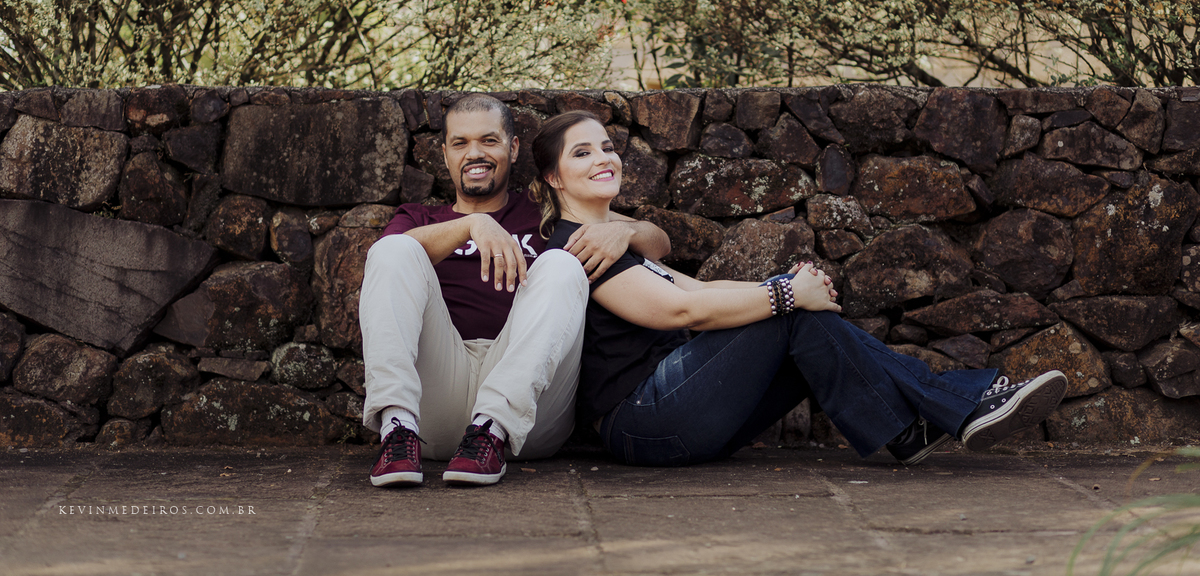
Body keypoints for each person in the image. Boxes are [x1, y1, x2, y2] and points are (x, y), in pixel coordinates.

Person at [529, 110, 1068, 468]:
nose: (604, 158)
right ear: (552, 178)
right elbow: (682, 310)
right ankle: (956, 405)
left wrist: (783, 288)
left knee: (803, 328)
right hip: (642, 422)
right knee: (794, 315)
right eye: (581, 153)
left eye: (606, 146)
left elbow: (697, 284)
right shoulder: (577, 247)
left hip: (675, 414)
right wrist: (786, 295)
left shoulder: (611, 236)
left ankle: (910, 430)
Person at [359, 94, 671, 487]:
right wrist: (473, 225)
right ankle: (397, 430)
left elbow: (659, 244)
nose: (475, 153)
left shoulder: (545, 212)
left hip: (526, 413)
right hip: (436, 400)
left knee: (561, 262)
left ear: (513, 146)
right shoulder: (420, 219)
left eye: (489, 140)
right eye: (460, 143)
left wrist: (626, 230)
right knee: (392, 248)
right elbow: (387, 262)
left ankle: (490, 429)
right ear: (445, 153)